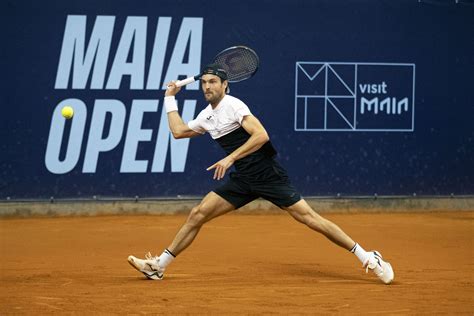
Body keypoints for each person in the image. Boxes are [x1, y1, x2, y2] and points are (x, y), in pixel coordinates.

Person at [127, 64, 394, 284]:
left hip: (267, 174)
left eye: (213, 82)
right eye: (204, 82)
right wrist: (170, 98)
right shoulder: (207, 116)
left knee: (310, 219)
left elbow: (261, 135)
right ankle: (158, 267)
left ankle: (368, 256)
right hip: (244, 178)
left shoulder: (234, 105)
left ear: (224, 86)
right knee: (198, 214)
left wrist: (230, 157)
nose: (207, 86)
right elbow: (179, 131)